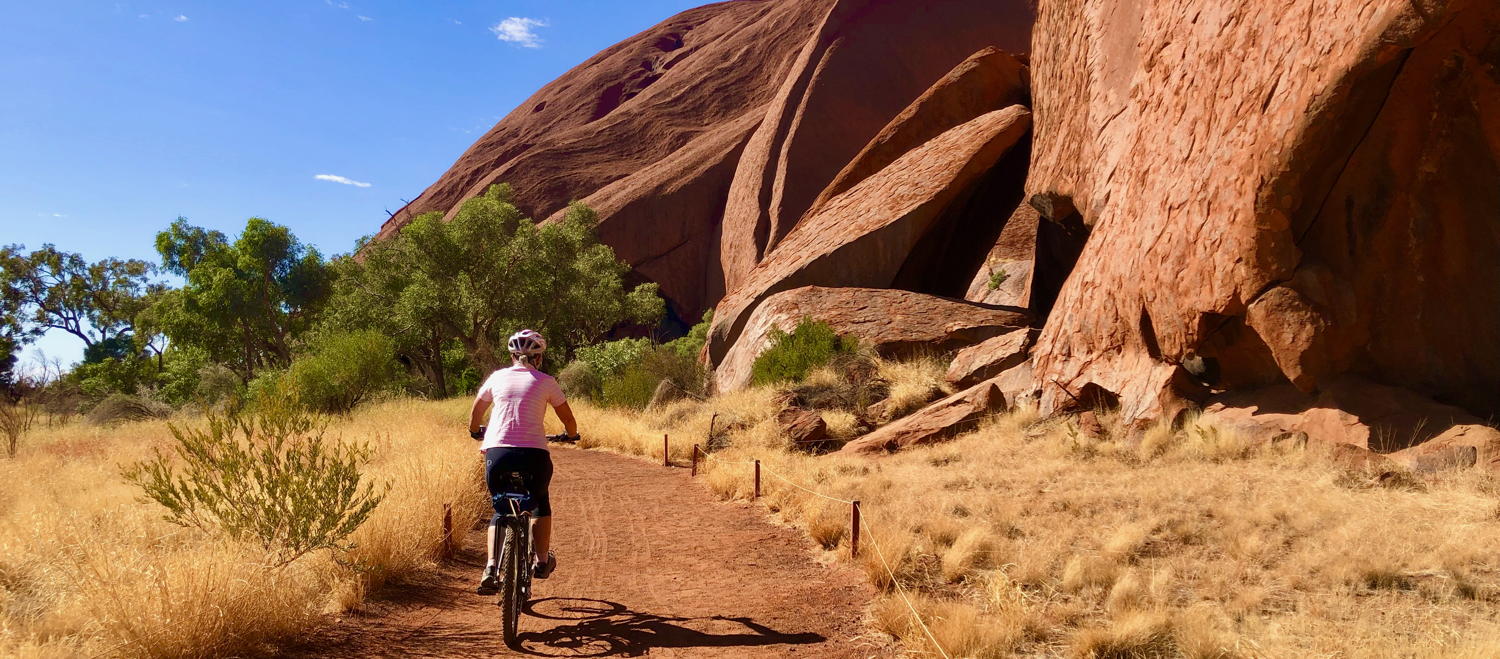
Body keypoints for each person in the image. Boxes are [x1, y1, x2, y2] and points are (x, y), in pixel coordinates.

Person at [468, 329, 578, 595]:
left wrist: (475, 431)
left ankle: (492, 568)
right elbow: (568, 419)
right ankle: (541, 561)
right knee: (540, 503)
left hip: (498, 453)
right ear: (538, 358)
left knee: (499, 509)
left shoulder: (496, 378)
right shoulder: (546, 381)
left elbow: (477, 410)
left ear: (512, 356)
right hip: (534, 455)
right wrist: (571, 435)